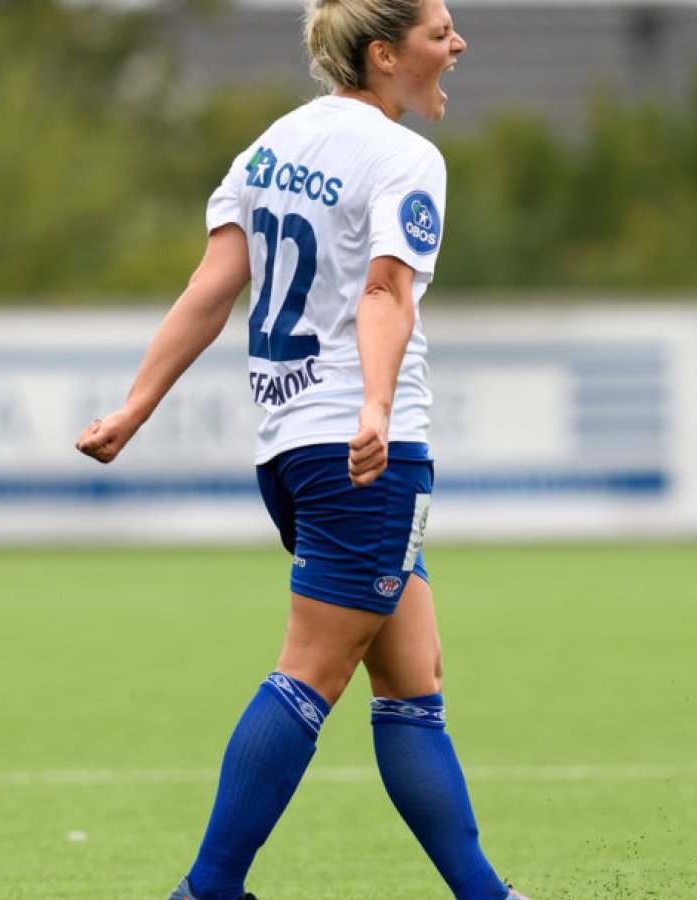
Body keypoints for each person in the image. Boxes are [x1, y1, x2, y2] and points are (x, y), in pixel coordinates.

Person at [75, 1, 526, 897]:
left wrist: (135, 407)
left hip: (288, 451)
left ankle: (486, 893)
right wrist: (376, 406)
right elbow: (387, 293)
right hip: (361, 451)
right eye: (442, 32)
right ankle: (206, 891)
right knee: (310, 673)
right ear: (386, 54)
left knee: (411, 675)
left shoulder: (271, 147)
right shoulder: (404, 158)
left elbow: (212, 290)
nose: (459, 44)